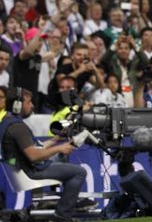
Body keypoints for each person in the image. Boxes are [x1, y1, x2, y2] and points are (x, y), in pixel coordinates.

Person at [0, 88, 88, 222]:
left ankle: (60, 201)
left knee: (60, 159)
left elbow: (34, 148)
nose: (32, 106)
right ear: (17, 104)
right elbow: (34, 156)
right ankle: (62, 215)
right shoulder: (18, 127)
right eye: (29, 102)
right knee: (79, 172)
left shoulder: (7, 122)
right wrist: (60, 148)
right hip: (30, 171)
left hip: (22, 168)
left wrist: (55, 139)